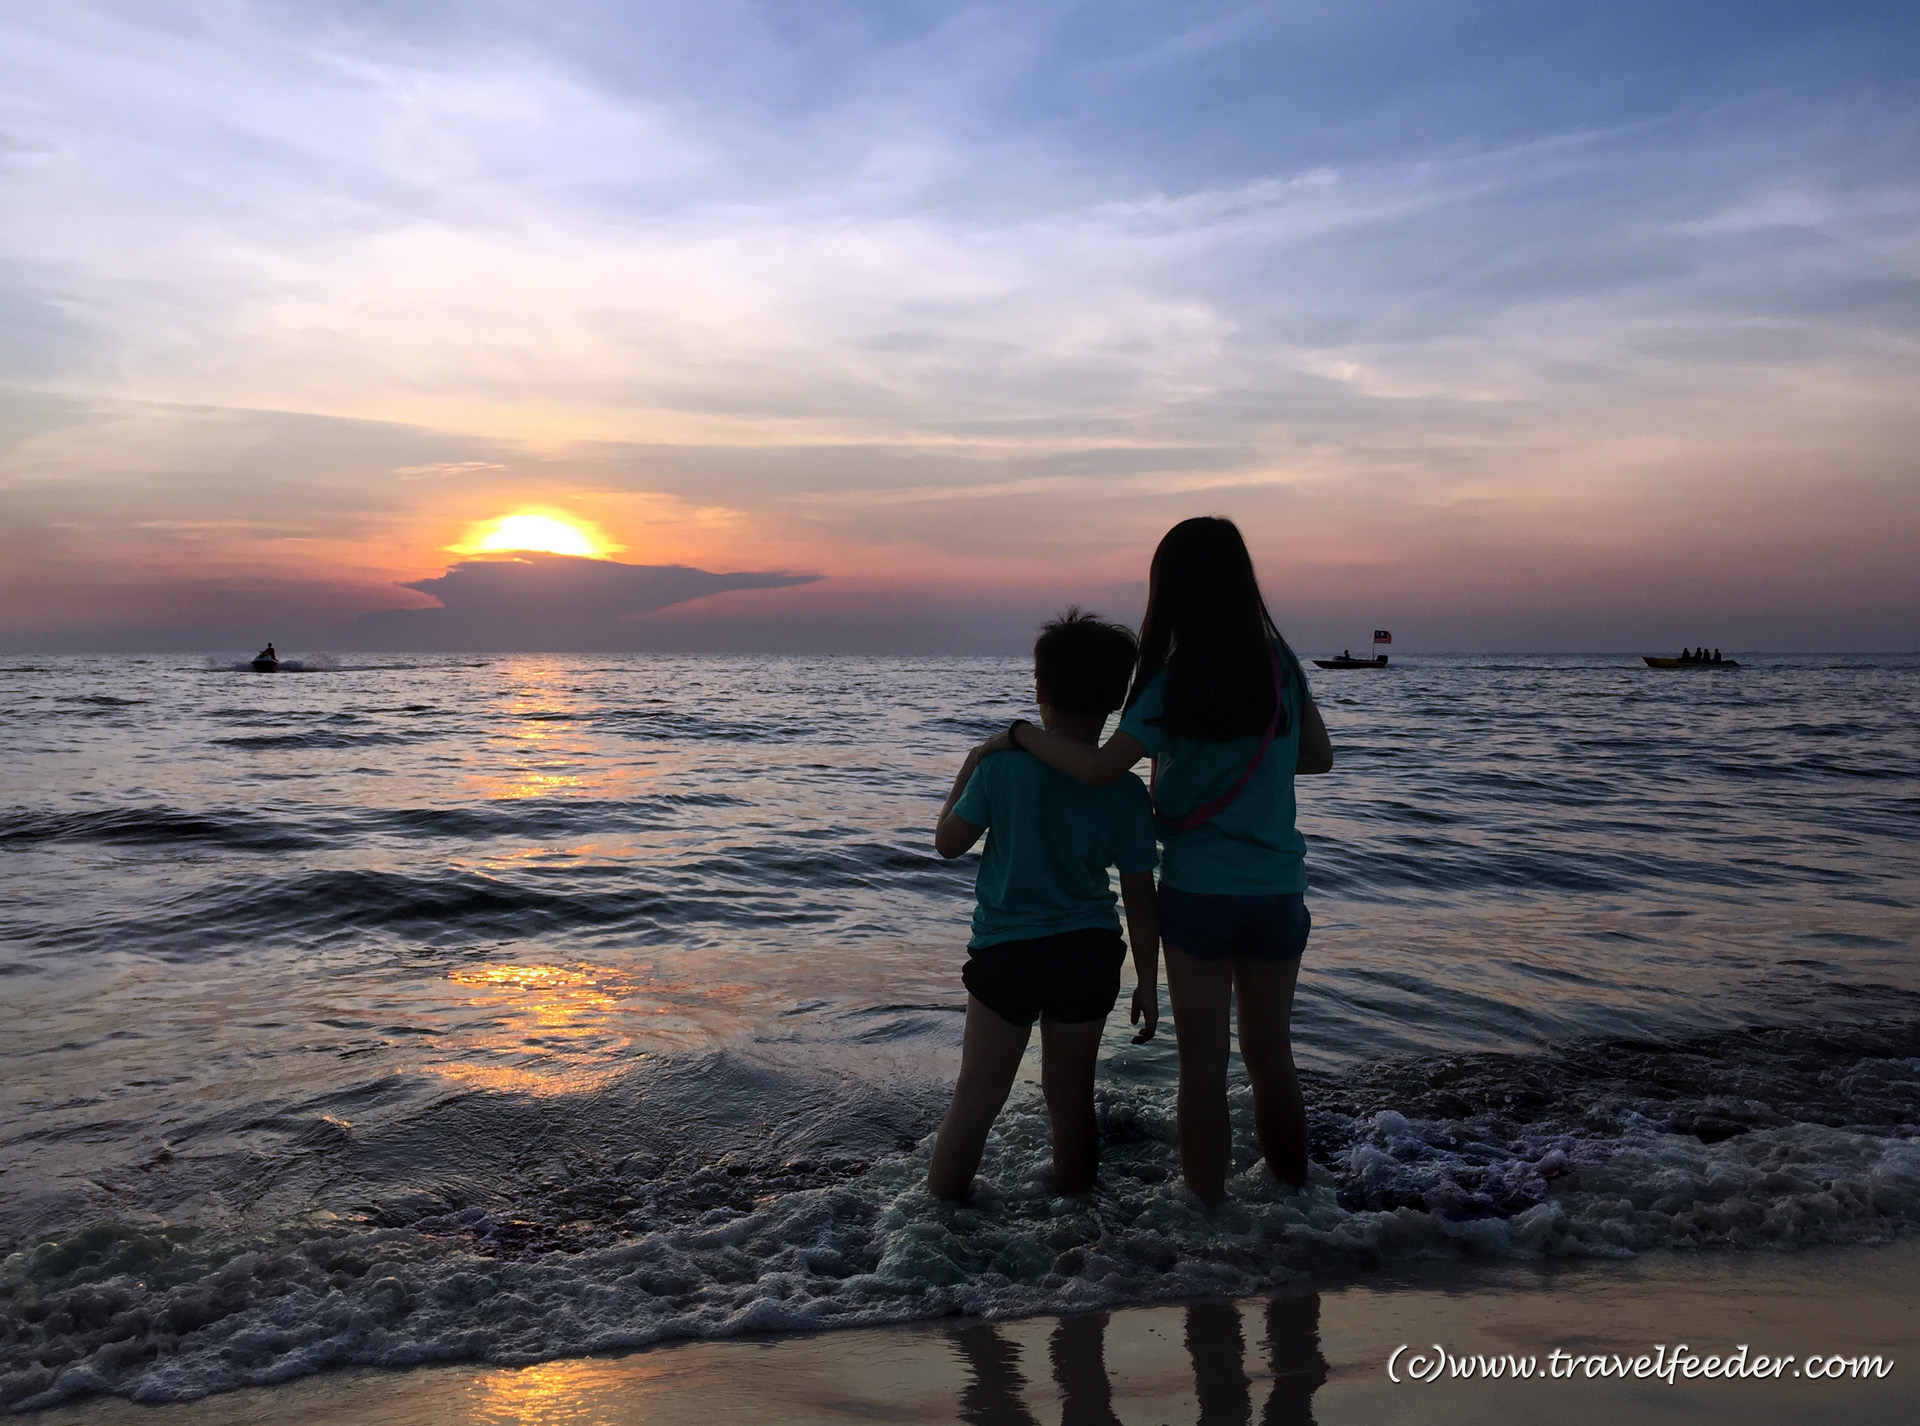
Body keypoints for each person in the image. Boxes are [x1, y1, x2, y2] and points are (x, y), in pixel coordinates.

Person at [977, 517, 1333, 1204]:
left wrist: (1018, 735)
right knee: (1271, 1057)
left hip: (1201, 891)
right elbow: (1317, 756)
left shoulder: (1170, 684)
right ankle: (1297, 1207)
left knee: (1203, 1064)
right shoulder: (1278, 667)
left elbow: (1104, 768)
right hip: (1277, 892)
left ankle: (1205, 1214)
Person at [926, 609, 1162, 1201]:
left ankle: (938, 1223)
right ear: (1114, 701)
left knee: (977, 1096)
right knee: (1071, 1097)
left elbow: (947, 843)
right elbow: (1139, 895)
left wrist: (976, 759)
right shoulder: (1125, 790)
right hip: (1087, 953)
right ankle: (1079, 1222)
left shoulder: (1002, 767)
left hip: (1007, 952)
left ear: (1040, 691)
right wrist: (1149, 984)